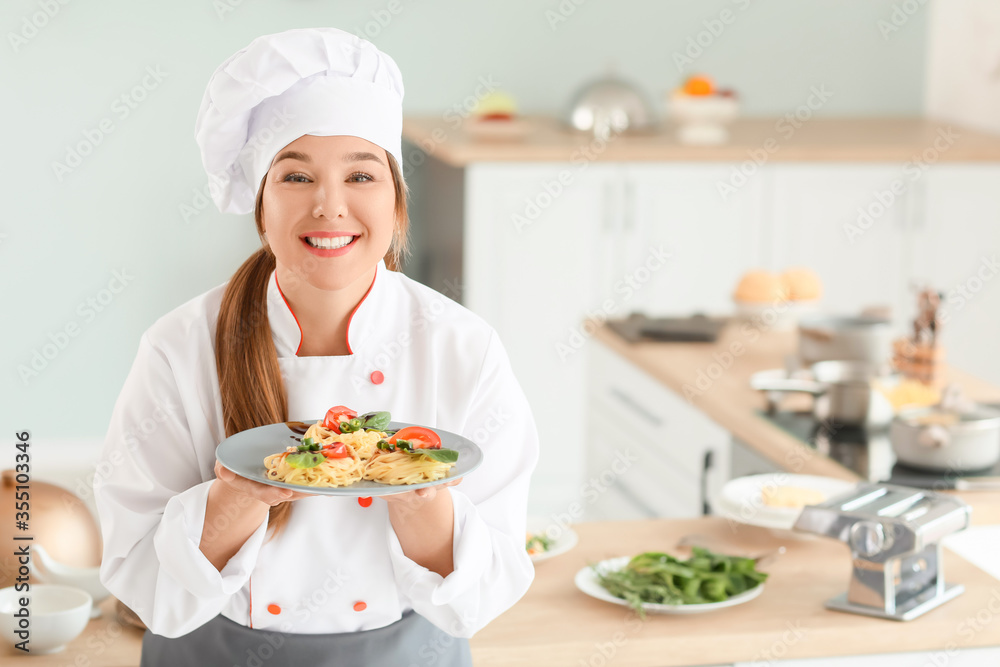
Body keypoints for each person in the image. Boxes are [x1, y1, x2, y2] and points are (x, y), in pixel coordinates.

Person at [93, 27, 539, 667]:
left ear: (396, 201)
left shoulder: (462, 347)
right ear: (261, 204)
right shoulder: (179, 347)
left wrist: (422, 508)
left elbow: (489, 588)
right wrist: (238, 498)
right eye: (296, 176)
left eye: (361, 174)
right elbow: (138, 577)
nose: (331, 206)